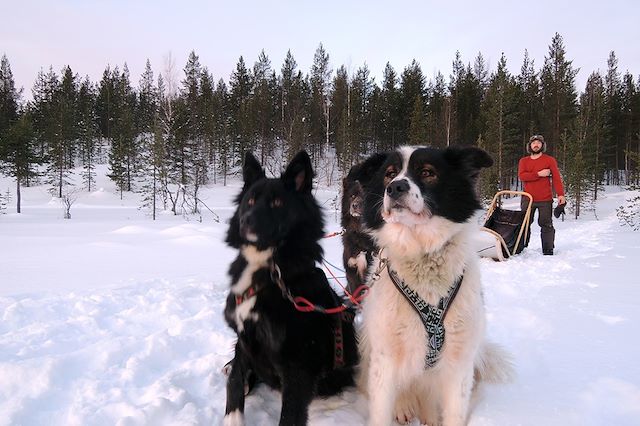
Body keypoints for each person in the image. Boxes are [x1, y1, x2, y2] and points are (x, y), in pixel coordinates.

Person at [518, 134, 566, 255]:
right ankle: (520, 247)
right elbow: (522, 176)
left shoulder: (549, 160)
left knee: (546, 224)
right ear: (530, 146)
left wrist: (561, 194)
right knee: (524, 223)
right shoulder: (524, 161)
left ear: (542, 145)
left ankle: (548, 249)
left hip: (545, 199)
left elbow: (556, 178)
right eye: (533, 142)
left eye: (539, 142)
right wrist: (539, 174)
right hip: (527, 198)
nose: (536, 144)